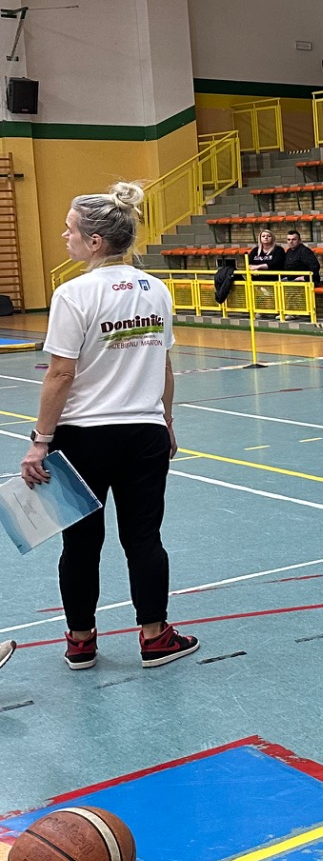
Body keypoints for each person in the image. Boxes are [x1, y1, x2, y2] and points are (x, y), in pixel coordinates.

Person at [24, 182, 197, 671]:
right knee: (144, 538)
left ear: (95, 240)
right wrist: (166, 421)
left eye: (70, 230)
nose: (65, 236)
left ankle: (80, 641)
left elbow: (61, 374)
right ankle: (155, 637)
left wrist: (40, 442)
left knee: (80, 543)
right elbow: (163, 365)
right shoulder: (156, 289)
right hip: (144, 433)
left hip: (83, 438)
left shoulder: (72, 294)